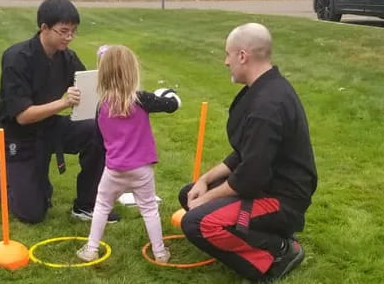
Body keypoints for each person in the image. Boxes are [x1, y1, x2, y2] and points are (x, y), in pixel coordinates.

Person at [178, 23, 317, 282]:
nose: (225, 62)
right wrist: (204, 181)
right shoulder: (262, 89)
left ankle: (280, 252)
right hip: (266, 183)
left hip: (282, 199)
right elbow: (245, 154)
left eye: (227, 54)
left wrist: (206, 200)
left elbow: (250, 177)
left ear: (242, 55)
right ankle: (267, 237)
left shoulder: (269, 104)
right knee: (188, 195)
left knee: (197, 222)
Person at [0, 0, 119, 224]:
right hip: (18, 136)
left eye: (73, 31)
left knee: (97, 130)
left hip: (50, 127)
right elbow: (22, 116)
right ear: (44, 28)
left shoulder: (68, 57)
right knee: (32, 214)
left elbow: (89, 90)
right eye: (63, 31)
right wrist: (64, 103)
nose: (69, 37)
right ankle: (0, 178)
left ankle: (87, 204)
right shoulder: (16, 58)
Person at [76, 45, 181, 263]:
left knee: (102, 206)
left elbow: (99, 139)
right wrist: (169, 94)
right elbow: (172, 105)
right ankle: (160, 252)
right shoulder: (142, 99)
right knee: (149, 208)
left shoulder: (101, 106)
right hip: (141, 169)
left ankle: (91, 249)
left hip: (114, 168)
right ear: (133, 72)